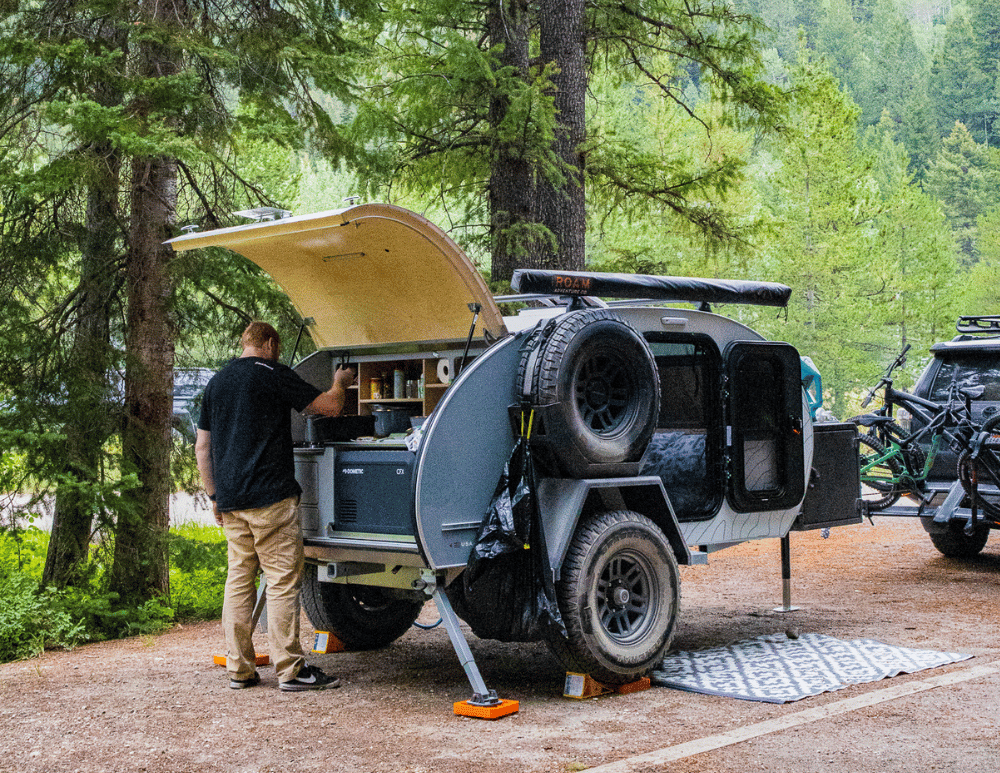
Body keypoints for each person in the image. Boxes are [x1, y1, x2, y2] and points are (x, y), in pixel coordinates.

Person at [195, 321, 356, 691]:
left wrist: (214, 495)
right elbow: (329, 408)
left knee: (239, 579)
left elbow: (203, 448)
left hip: (232, 502)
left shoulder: (216, 382)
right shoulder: (272, 374)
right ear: (269, 343)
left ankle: (239, 668)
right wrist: (341, 382)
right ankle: (291, 670)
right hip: (271, 499)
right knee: (282, 582)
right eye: (277, 347)